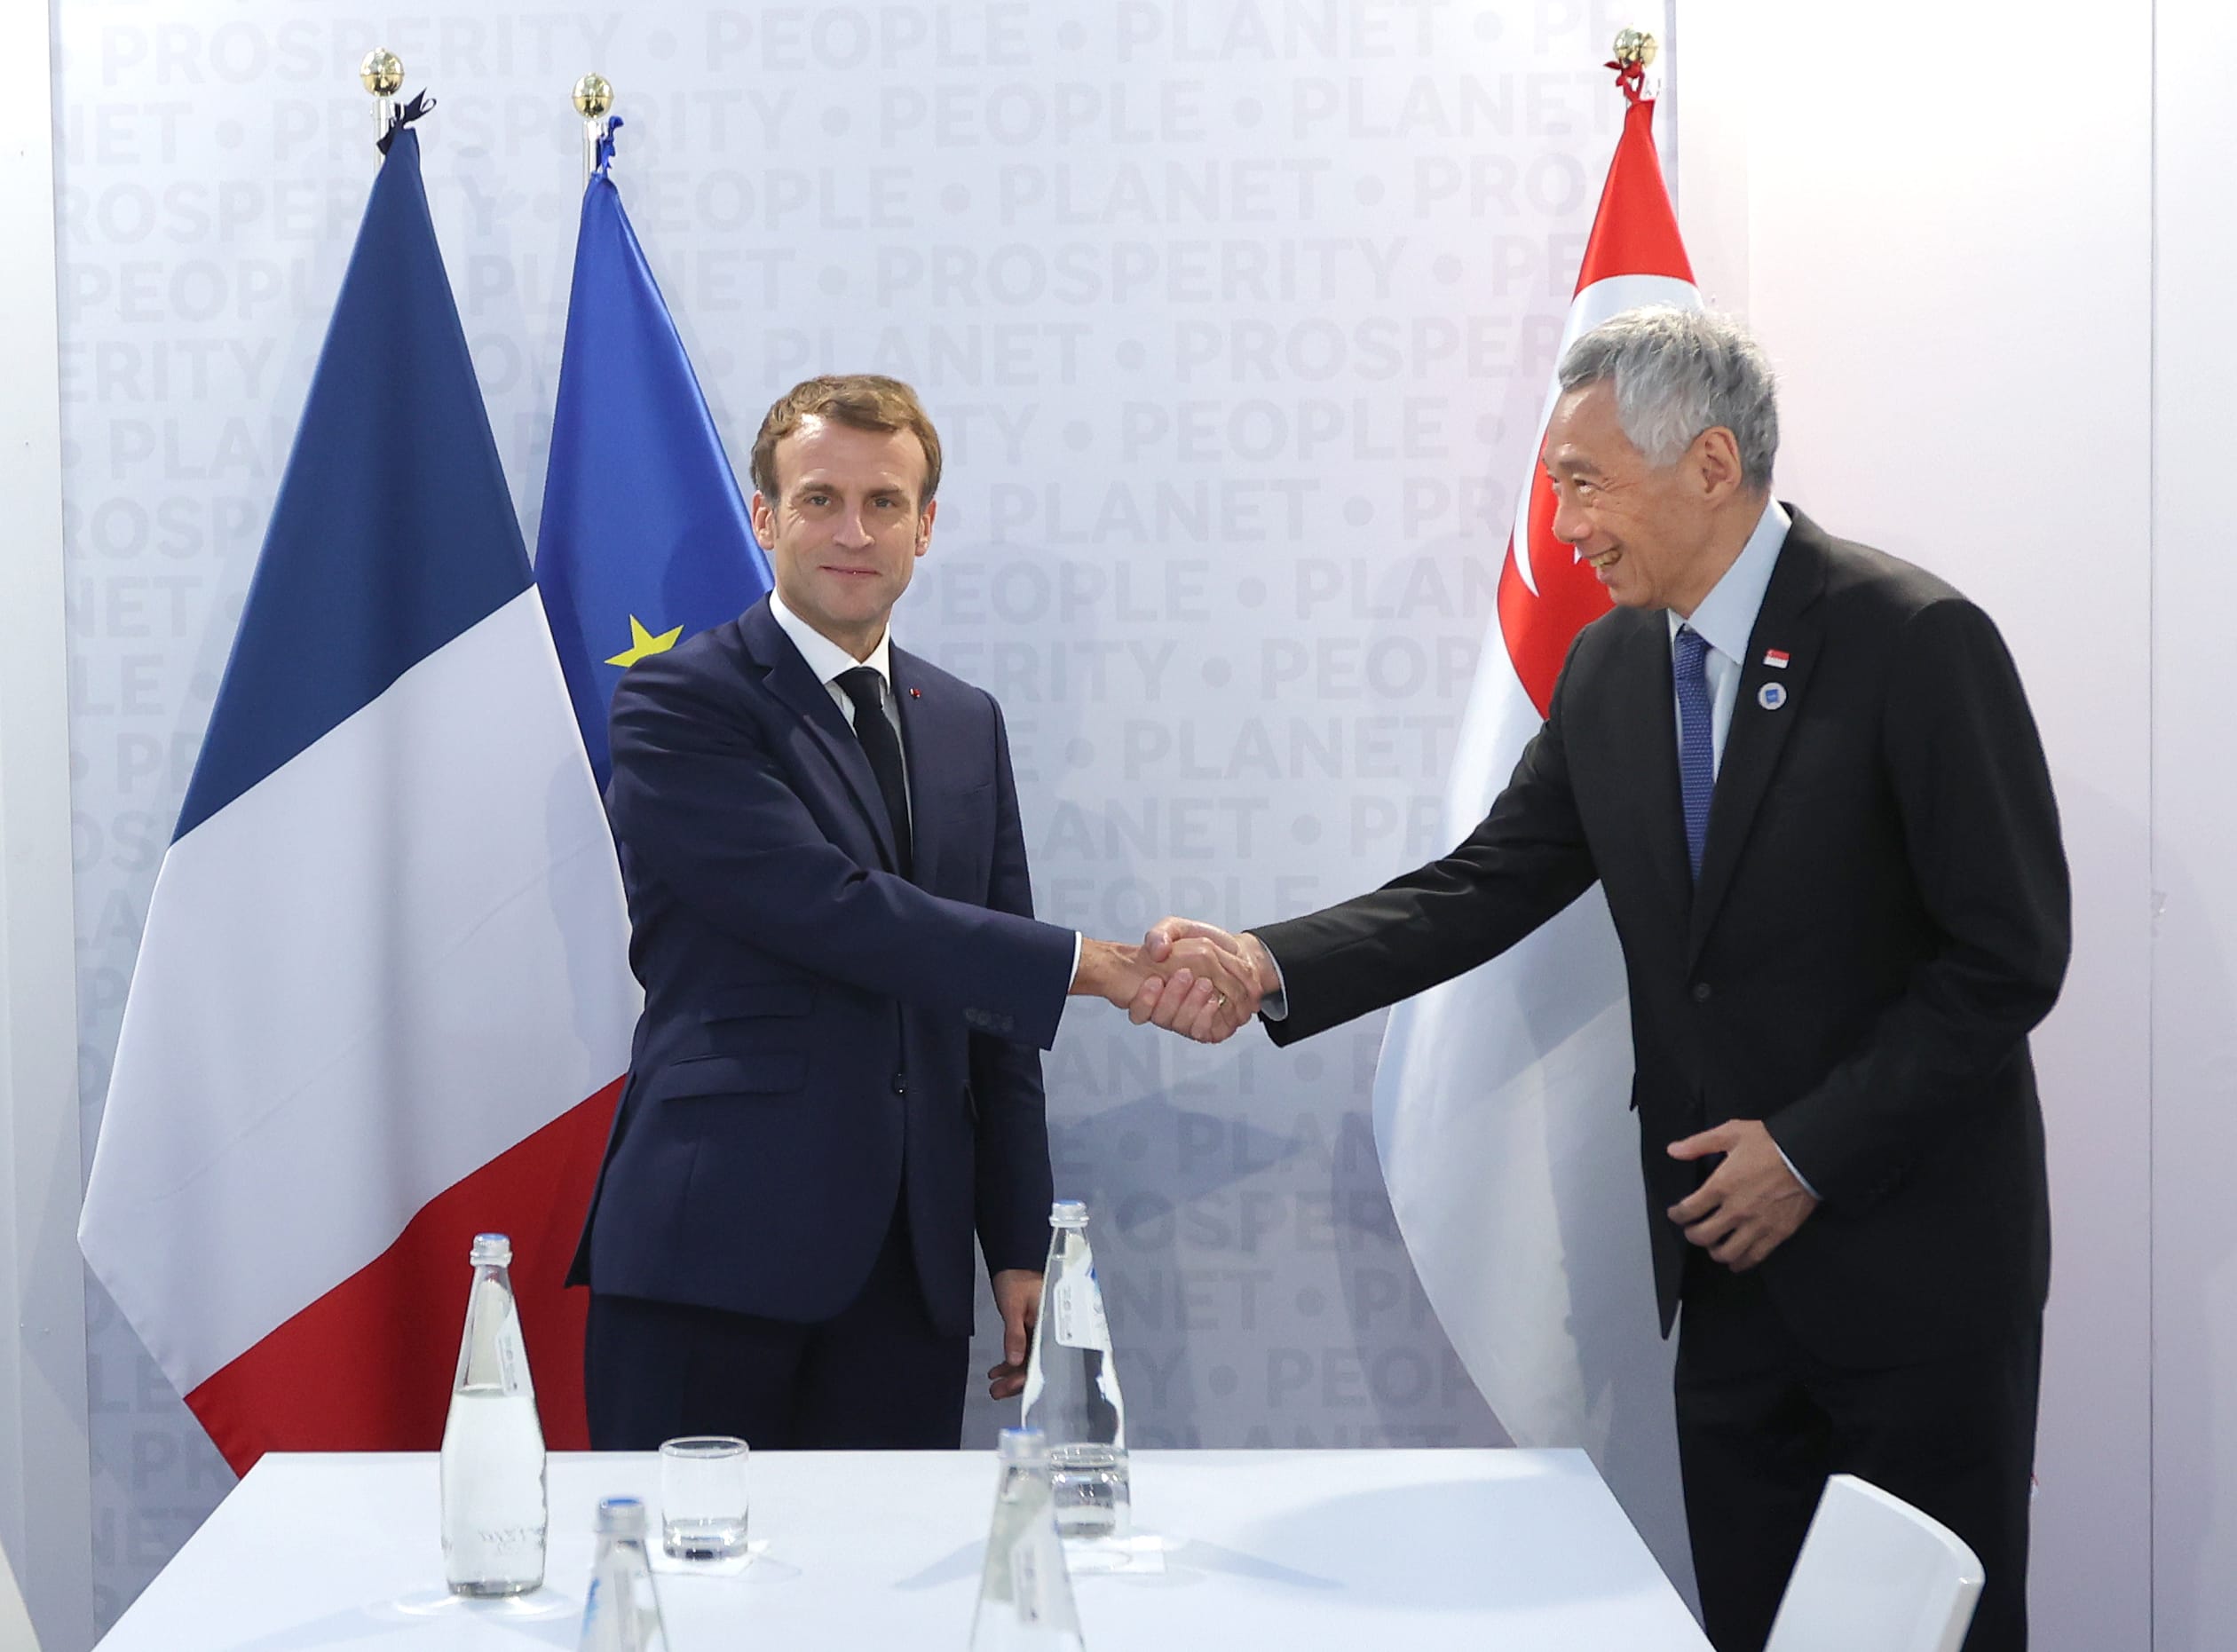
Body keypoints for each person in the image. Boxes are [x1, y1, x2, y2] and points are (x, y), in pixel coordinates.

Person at [1135, 310, 2068, 1652]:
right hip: (1726, 1272)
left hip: (1912, 1272)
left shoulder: (1912, 639)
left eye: (1583, 481)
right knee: (1751, 1625)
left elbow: (2007, 956)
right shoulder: (1614, 666)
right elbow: (1485, 884)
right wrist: (1269, 961)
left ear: (1706, 464)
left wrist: (1808, 1150)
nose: (1561, 522)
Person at [568, 374, 1253, 1452]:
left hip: (911, 1276)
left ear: (925, 526)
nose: (854, 530)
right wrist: (1099, 965)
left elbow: (992, 1018)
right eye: (819, 498)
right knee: (693, 1603)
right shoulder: (678, 701)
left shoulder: (966, 723)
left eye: (885, 502)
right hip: (715, 1255)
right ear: (764, 517)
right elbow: (832, 910)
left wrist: (1015, 1242)